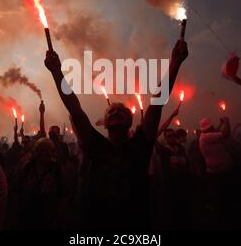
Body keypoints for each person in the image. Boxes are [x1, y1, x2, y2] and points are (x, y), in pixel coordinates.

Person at [44, 39, 188, 229]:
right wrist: (56, 72)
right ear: (106, 124)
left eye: (121, 111)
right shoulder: (96, 146)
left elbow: (157, 103)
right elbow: (75, 108)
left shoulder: (140, 145)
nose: (115, 112)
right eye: (111, 112)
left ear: (129, 122)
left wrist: (175, 64)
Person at [17, 138, 66, 229]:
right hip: (28, 211)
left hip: (49, 212)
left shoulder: (57, 169)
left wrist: (59, 213)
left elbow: (63, 192)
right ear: (35, 152)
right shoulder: (28, 167)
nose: (44, 153)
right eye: (41, 150)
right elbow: (19, 187)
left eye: (47, 150)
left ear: (52, 152)